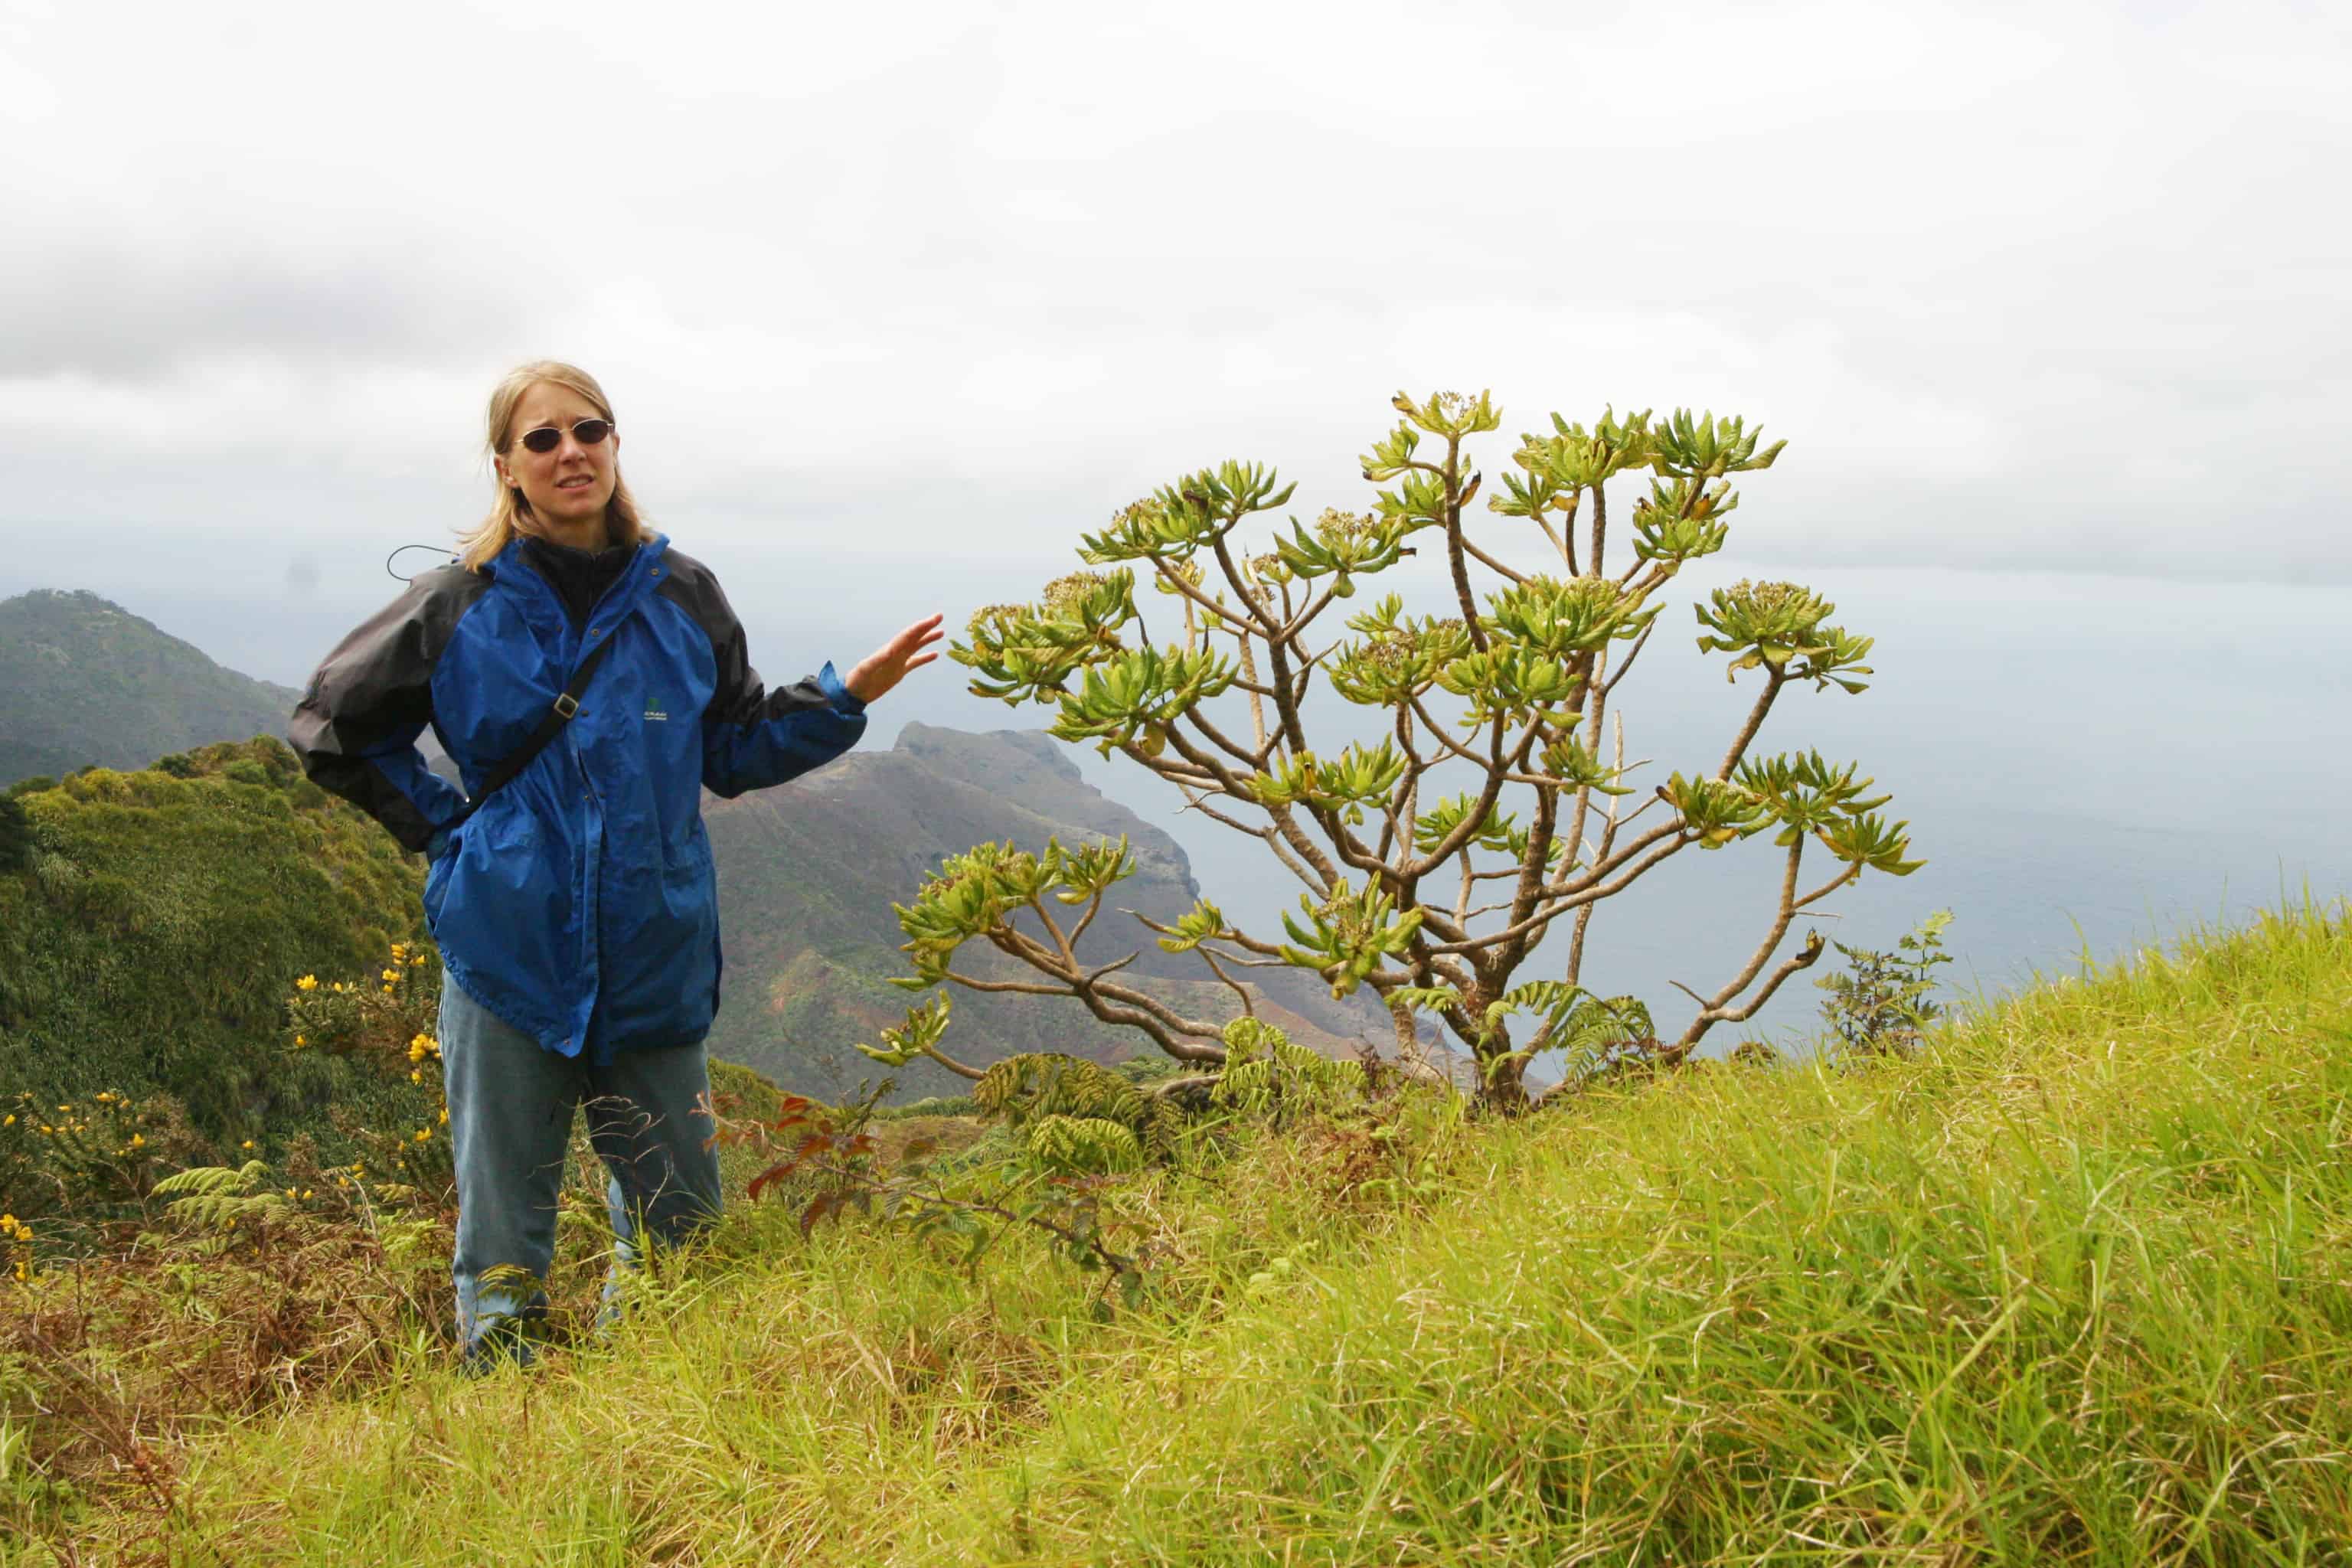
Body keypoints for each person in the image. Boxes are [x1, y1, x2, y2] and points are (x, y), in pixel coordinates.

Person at [289, 360, 942, 1367]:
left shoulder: (682, 595)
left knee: (681, 1240)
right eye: (541, 439)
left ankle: (646, 1423)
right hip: (507, 955)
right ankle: (505, 1433)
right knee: (504, 1253)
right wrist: (448, 835)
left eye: (586, 429)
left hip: (653, 956)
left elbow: (731, 746)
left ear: (614, 444)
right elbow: (333, 727)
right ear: (506, 466)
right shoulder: (459, 603)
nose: (569, 452)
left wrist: (843, 696)